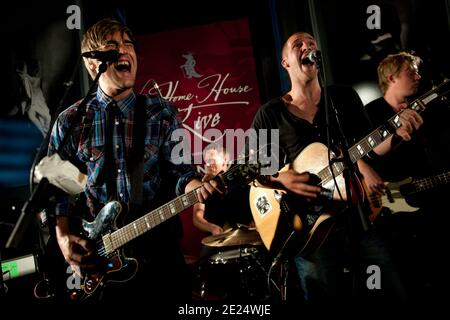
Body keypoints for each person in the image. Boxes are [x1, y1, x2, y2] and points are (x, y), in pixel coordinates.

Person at [47, 18, 222, 303]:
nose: (124, 51)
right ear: (93, 63)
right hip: (101, 260)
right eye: (112, 46)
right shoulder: (70, 121)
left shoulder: (161, 112)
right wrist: (64, 238)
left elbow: (181, 174)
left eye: (128, 44)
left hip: (160, 254)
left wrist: (199, 187)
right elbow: (55, 191)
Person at [248, 32, 423, 302]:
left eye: (311, 44)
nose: (307, 47)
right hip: (309, 229)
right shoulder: (270, 113)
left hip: (358, 216)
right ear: (285, 62)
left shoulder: (342, 97)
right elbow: (256, 172)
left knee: (393, 290)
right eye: (298, 45)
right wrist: (282, 182)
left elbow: (374, 147)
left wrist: (397, 133)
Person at [364, 52, 450, 300]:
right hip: (390, 216)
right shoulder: (370, 113)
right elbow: (357, 155)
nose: (418, 76)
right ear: (391, 78)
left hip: (431, 207)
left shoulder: (429, 109)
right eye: (410, 72)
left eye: (417, 71)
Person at [192, 144, 253, 236]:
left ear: (224, 160)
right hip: (218, 240)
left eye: (211, 160)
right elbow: (197, 215)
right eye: (206, 162)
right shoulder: (203, 186)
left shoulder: (243, 180)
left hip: (248, 235)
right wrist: (212, 228)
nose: (207, 165)